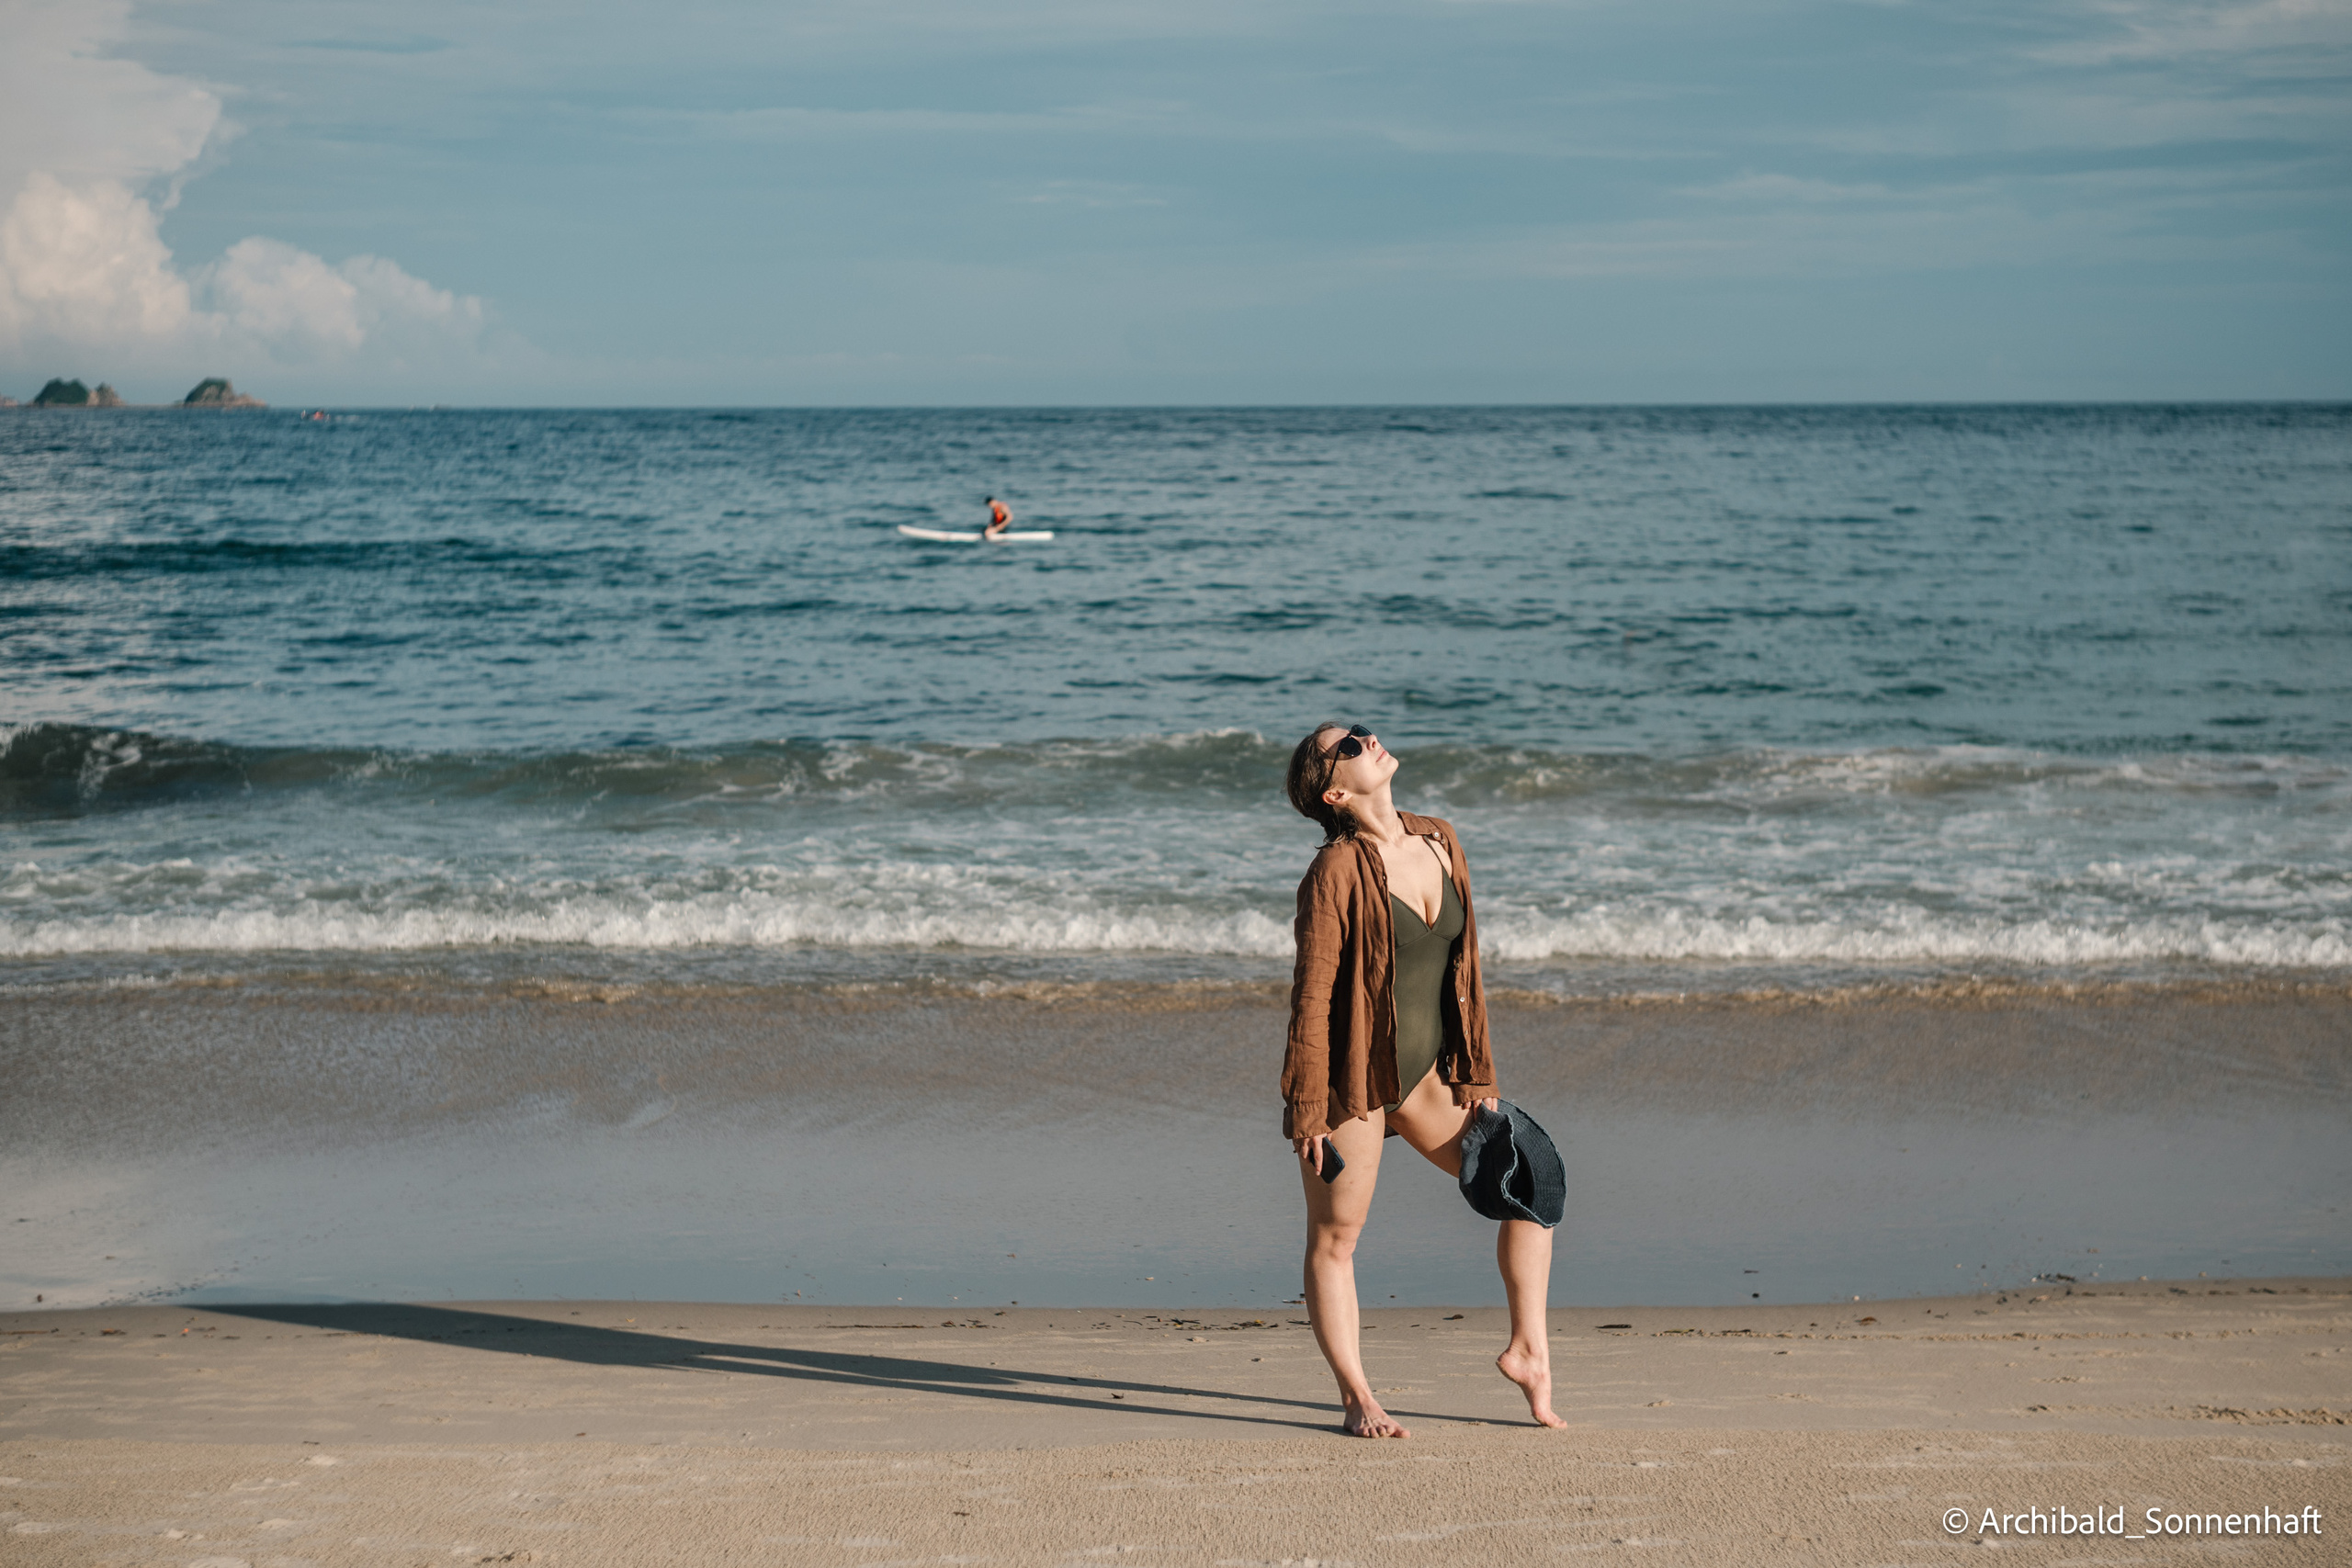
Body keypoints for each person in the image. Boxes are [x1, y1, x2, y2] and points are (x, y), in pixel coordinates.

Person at [1282, 722, 1566, 1438]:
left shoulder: (1439, 837)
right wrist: (1308, 1109)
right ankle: (1357, 1396)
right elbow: (1311, 995)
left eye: (1362, 730)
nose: (1367, 737)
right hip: (1353, 1081)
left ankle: (1529, 1351)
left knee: (1530, 1181)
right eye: (1347, 744)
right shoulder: (1334, 872)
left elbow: (1463, 965)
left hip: (1428, 1078)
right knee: (1336, 1238)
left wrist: (1476, 1067)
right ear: (1334, 790)